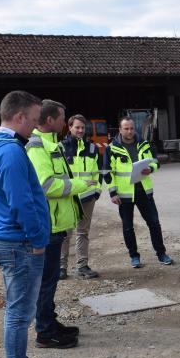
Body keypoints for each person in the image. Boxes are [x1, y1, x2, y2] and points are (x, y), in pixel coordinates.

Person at [0, 90, 56, 358]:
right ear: (20, 116)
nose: (36, 127)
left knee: (19, 311)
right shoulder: (10, 152)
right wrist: (38, 240)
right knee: (19, 315)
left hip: (12, 242)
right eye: (34, 121)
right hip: (19, 244)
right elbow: (21, 202)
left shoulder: (1, 146)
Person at [26, 100, 94, 349]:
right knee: (46, 281)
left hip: (56, 224)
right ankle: (45, 332)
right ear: (49, 120)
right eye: (62, 117)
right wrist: (79, 186)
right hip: (49, 226)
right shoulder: (37, 147)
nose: (65, 122)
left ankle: (49, 322)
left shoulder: (51, 143)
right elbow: (46, 186)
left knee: (51, 280)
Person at [104, 116, 173, 268]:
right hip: (124, 195)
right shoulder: (111, 148)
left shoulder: (145, 144)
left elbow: (155, 162)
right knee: (128, 227)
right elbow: (107, 172)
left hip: (144, 191)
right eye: (126, 128)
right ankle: (134, 256)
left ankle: (161, 253)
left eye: (131, 128)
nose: (129, 131)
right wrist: (112, 193)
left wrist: (151, 169)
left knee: (154, 223)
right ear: (120, 130)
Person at [60, 114, 102, 280]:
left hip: (87, 197)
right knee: (65, 233)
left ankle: (82, 266)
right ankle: (61, 267)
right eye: (77, 127)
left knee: (82, 232)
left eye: (83, 128)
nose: (80, 130)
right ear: (69, 128)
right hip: (68, 196)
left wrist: (96, 192)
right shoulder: (61, 148)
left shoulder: (92, 149)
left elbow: (97, 173)